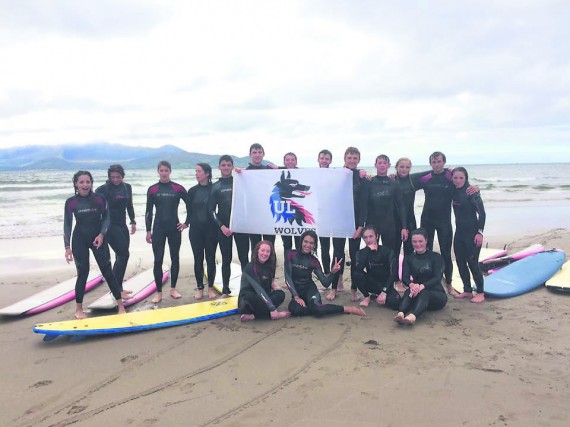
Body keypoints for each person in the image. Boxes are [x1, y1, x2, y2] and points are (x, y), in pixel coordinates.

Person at [64, 171, 126, 319]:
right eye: (81, 182)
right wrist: (67, 247)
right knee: (82, 273)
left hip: (98, 238)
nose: (85, 185)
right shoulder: (71, 202)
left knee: (107, 271)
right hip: (79, 239)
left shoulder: (99, 199)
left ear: (91, 183)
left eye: (88, 182)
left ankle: (121, 306)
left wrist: (102, 234)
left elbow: (106, 218)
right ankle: (79, 309)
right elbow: (67, 225)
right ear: (76, 184)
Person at [415, 152, 478, 295]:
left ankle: (449, 284)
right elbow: (407, 183)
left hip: (444, 221)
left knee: (446, 254)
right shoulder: (425, 178)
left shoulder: (451, 177)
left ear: (444, 162)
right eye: (434, 162)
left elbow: (464, 184)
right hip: (427, 220)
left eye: (439, 161)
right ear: (430, 163)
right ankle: (428, 283)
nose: (437, 164)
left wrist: (476, 188)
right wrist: (393, 176)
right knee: (426, 252)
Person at [285, 230, 366, 317]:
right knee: (295, 310)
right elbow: (288, 278)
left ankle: (348, 309)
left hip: (309, 290)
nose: (308, 245)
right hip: (297, 292)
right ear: (301, 241)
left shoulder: (313, 261)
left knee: (317, 309)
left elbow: (325, 283)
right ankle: (313, 307)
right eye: (306, 241)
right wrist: (296, 296)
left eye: (311, 243)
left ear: (314, 245)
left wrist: (332, 272)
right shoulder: (290, 254)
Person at [145, 160, 190, 303]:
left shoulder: (178, 188)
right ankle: (159, 292)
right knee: (158, 260)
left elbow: (191, 206)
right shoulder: (152, 189)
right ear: (158, 171)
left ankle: (173, 289)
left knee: (174, 258)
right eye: (161, 170)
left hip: (174, 228)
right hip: (158, 229)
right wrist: (148, 230)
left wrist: (186, 223)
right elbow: (148, 212)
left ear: (170, 171)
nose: (164, 173)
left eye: (166, 170)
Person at [208, 155, 250, 297]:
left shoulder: (240, 182)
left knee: (244, 258)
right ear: (219, 167)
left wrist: (242, 172)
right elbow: (211, 210)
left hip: (240, 226)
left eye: (228, 165)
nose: (226, 167)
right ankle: (226, 289)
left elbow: (252, 187)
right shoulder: (215, 186)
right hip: (224, 228)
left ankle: (246, 288)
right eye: (223, 165)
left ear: (232, 166)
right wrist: (221, 226)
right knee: (226, 259)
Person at [328, 147, 367, 302]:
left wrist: (360, 226)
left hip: (354, 223)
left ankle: (353, 289)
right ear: (344, 158)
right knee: (337, 254)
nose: (352, 160)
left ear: (359, 160)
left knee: (355, 256)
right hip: (338, 221)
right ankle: (333, 288)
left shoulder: (361, 177)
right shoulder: (336, 174)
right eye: (349, 157)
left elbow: (364, 204)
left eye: (355, 158)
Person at [95, 164, 136, 296]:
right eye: (113, 177)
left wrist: (133, 221)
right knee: (124, 254)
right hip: (109, 226)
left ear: (123, 176)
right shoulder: (102, 189)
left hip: (122, 224)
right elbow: (96, 210)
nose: (116, 180)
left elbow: (130, 206)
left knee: (121, 256)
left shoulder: (127, 187)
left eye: (118, 177)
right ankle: (116, 290)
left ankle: (118, 287)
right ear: (109, 177)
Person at [394, 228, 447, 325]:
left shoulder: (436, 257)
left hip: (437, 295)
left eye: (420, 241)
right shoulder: (409, 258)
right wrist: (412, 285)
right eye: (414, 241)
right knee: (408, 292)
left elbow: (437, 277)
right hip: (416, 292)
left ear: (426, 241)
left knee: (424, 293)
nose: (418, 244)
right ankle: (400, 314)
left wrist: (421, 286)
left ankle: (412, 317)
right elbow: (405, 277)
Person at [452, 167, 486, 303]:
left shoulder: (471, 192)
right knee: (460, 262)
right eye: (455, 178)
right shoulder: (453, 190)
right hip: (459, 233)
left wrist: (480, 232)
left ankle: (481, 292)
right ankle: (467, 290)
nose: (458, 180)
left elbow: (482, 214)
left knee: (472, 263)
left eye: (461, 178)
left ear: (466, 178)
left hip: (472, 234)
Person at [362, 154, 408, 256]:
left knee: (390, 254)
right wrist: (362, 225)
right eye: (380, 163)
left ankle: (391, 272)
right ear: (375, 165)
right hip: (372, 224)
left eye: (384, 163)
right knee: (371, 253)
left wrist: (404, 227)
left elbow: (401, 206)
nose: (382, 165)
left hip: (389, 225)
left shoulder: (394, 184)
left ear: (389, 165)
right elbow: (363, 205)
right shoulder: (369, 182)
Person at [238, 241, 290, 321]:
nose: (265, 253)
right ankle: (273, 314)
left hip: (263, 299)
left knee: (280, 294)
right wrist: (272, 308)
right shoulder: (250, 267)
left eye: (268, 251)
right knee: (249, 296)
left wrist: (275, 286)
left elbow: (269, 284)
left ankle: (254, 316)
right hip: (248, 303)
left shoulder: (270, 266)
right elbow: (259, 289)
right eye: (262, 250)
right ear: (257, 251)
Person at [187, 163, 217, 300]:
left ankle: (210, 287)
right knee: (198, 259)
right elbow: (189, 212)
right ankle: (200, 288)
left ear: (207, 174)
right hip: (195, 231)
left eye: (199, 171)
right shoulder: (192, 191)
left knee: (210, 258)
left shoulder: (214, 189)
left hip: (211, 230)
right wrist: (185, 223)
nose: (196, 173)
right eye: (196, 171)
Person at [352, 226, 400, 309]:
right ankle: (367, 297)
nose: (368, 240)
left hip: (386, 285)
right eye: (365, 237)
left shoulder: (387, 251)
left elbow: (394, 273)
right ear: (363, 239)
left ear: (376, 236)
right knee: (356, 273)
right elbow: (358, 269)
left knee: (395, 303)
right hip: (371, 283)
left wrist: (384, 291)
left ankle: (380, 294)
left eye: (371, 236)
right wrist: (367, 250)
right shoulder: (361, 253)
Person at [245, 143, 277, 247]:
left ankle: (271, 263)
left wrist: (279, 169)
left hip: (269, 214)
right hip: (253, 215)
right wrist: (236, 173)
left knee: (270, 244)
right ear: (250, 154)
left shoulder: (270, 170)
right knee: (255, 245)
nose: (257, 155)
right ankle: (255, 264)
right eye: (254, 152)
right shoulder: (245, 172)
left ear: (263, 154)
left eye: (260, 152)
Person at [393, 157, 421, 256]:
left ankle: (408, 272)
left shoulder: (413, 180)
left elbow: (431, 173)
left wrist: (449, 171)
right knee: (393, 252)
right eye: (401, 167)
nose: (404, 169)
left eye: (407, 167)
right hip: (393, 222)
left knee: (409, 252)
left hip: (410, 221)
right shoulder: (391, 180)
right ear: (396, 167)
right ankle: (393, 272)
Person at [280, 152, 300, 254]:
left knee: (299, 244)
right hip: (285, 214)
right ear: (284, 162)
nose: (290, 162)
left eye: (292, 160)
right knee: (287, 245)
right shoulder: (279, 172)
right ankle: (287, 268)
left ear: (296, 162)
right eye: (287, 160)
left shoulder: (303, 173)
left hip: (298, 215)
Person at [317, 149, 333, 274]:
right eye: (322, 158)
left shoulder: (335, 174)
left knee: (338, 248)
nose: (324, 160)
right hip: (319, 217)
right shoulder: (313, 174)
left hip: (334, 216)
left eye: (327, 158)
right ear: (318, 160)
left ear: (330, 161)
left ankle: (336, 276)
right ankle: (326, 272)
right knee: (324, 247)